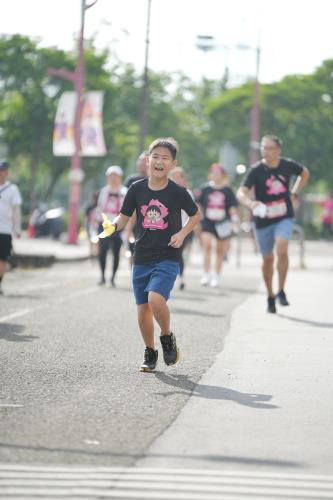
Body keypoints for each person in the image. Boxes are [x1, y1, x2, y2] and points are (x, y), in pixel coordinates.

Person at [100, 137, 200, 372]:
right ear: (147, 160)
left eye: (165, 158)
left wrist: (183, 233)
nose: (159, 161)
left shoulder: (178, 192)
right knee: (142, 307)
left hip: (168, 255)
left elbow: (195, 216)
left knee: (156, 299)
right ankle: (150, 350)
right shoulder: (136, 189)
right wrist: (112, 226)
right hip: (142, 255)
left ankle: (166, 337)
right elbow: (124, 218)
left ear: (172, 164)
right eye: (155, 156)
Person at [237, 134, 310, 313]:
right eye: (263, 148)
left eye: (270, 148)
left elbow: (304, 173)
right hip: (263, 219)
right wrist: (251, 203)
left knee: (282, 247)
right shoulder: (256, 170)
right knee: (267, 259)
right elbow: (241, 192)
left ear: (278, 150)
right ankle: (270, 295)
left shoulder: (286, 165)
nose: (266, 151)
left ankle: (281, 290)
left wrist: (294, 192)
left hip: (284, 215)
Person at [197, 163, 239, 287]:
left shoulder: (227, 190)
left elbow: (232, 206)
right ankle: (205, 274)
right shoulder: (205, 189)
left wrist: (235, 219)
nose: (215, 176)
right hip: (208, 221)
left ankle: (216, 275)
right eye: (213, 173)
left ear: (223, 175)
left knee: (220, 251)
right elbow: (199, 205)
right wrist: (197, 220)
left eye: (218, 173)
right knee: (207, 245)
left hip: (222, 222)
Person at [96, 166, 127, 287]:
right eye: (110, 176)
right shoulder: (104, 191)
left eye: (115, 176)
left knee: (116, 252)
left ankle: (113, 277)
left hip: (118, 226)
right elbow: (100, 208)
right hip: (104, 225)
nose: (113, 178)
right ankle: (102, 276)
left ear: (120, 178)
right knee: (102, 251)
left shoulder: (124, 191)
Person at [169, 166, 195, 290]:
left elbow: (194, 214)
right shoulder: (166, 191)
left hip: (183, 228)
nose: (176, 179)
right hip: (167, 229)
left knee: (178, 254)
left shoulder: (187, 193)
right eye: (174, 177)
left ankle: (181, 277)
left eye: (179, 177)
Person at [0, 160, 22, 295]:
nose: (1, 173)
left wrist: (17, 229)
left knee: (2, 259)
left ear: (7, 172)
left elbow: (16, 211)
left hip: (5, 229)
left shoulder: (12, 189)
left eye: (3, 170)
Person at [84, 191, 99, 258]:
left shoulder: (99, 206)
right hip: (90, 225)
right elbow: (86, 217)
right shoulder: (89, 207)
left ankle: (96, 253)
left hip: (97, 225)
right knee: (91, 240)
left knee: (96, 241)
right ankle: (92, 253)